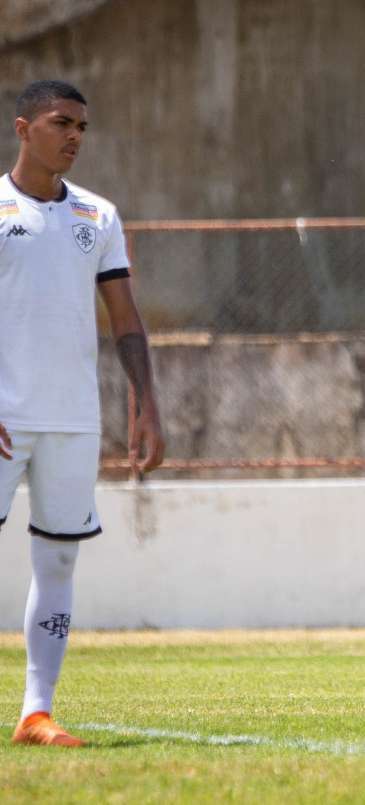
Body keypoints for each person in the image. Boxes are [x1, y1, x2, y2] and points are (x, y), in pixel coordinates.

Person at [0, 80, 164, 747]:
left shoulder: (98, 216)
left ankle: (35, 712)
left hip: (72, 419)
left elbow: (125, 320)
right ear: (23, 128)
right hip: (5, 416)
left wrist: (147, 402)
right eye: (60, 123)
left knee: (59, 564)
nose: (73, 136)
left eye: (82, 128)